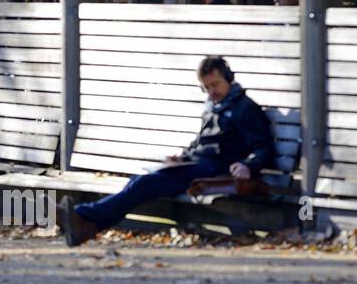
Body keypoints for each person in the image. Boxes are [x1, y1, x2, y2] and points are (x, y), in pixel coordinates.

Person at [58, 56, 276, 246]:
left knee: (144, 184)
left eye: (216, 84)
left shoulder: (245, 108)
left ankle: (81, 216)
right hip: (195, 166)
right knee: (139, 181)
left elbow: (263, 147)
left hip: (214, 171)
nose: (212, 92)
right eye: (206, 87)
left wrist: (248, 165)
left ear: (229, 78)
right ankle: (85, 225)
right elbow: (200, 143)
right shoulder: (213, 107)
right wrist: (182, 156)